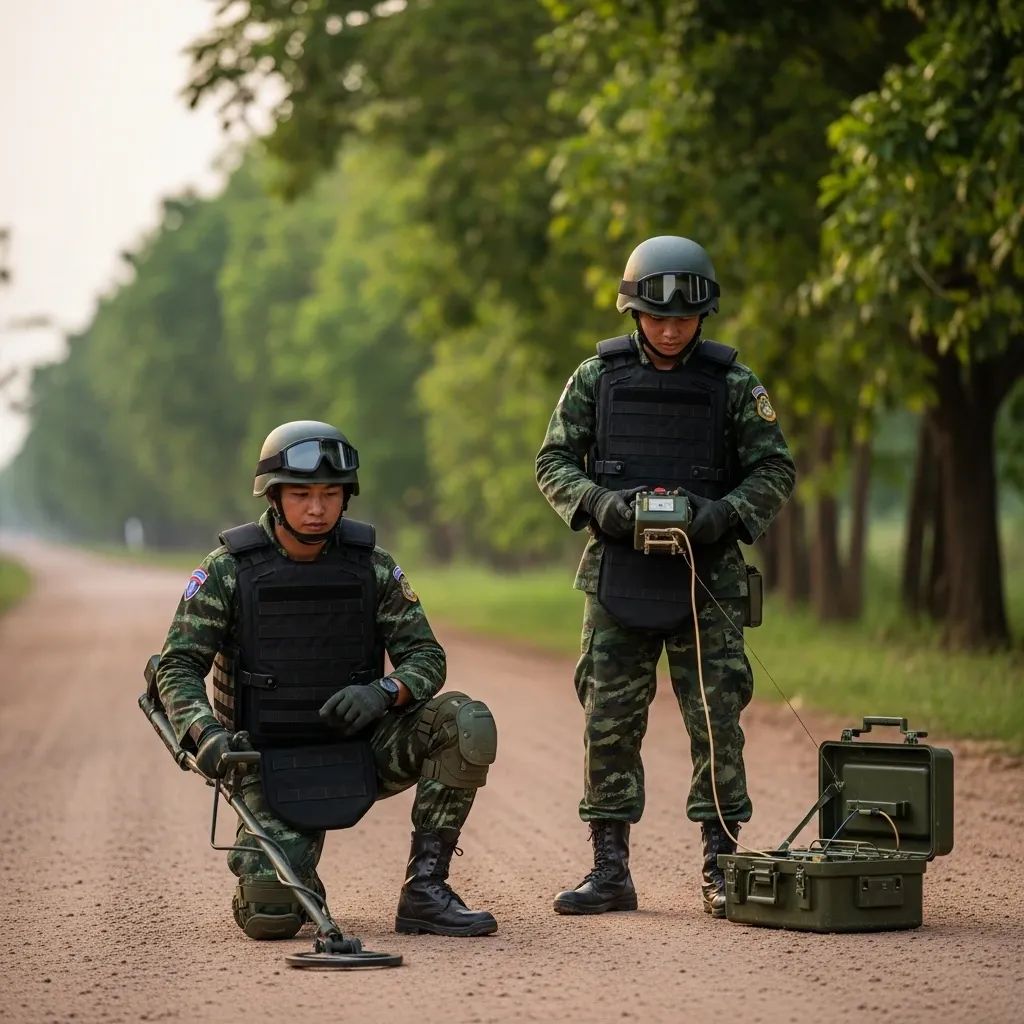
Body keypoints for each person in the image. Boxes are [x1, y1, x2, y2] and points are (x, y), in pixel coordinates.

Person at [155, 420, 498, 939]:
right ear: (273, 496)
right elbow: (178, 666)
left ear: (346, 498)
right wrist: (205, 733)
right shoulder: (228, 570)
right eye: (302, 494)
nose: (317, 508)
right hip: (265, 758)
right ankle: (297, 881)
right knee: (271, 916)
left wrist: (384, 692)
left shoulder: (374, 568)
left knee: (465, 722)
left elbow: (426, 656)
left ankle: (425, 890)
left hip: (361, 746)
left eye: (330, 494)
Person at [535, 236, 796, 918]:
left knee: (717, 722)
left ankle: (721, 863)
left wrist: (722, 516)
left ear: (705, 314)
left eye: (684, 317)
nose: (672, 328)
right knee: (610, 722)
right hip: (617, 573)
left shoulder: (734, 385)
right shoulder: (597, 377)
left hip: (707, 581)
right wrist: (601, 505)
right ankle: (610, 868)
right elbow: (554, 461)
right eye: (657, 316)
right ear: (634, 312)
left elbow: (775, 469)